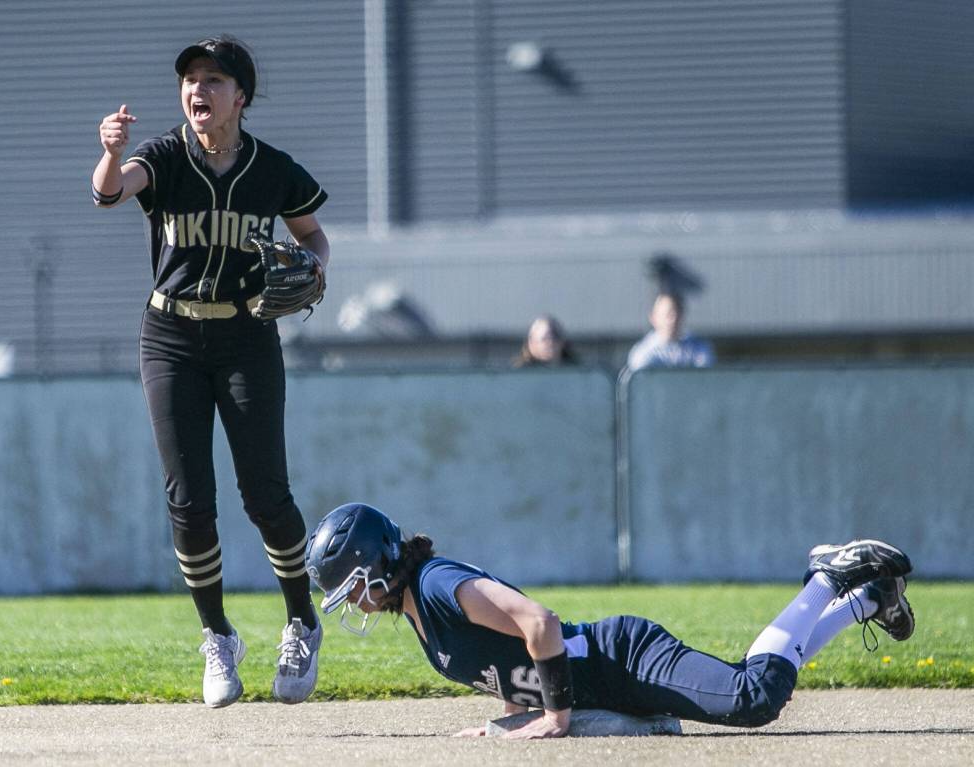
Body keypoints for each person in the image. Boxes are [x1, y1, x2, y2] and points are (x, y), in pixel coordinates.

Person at [92, 35, 328, 708]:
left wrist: (317, 264)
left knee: (266, 496)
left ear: (240, 97)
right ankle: (218, 636)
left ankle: (300, 619)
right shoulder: (164, 157)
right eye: (191, 78)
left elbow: (311, 232)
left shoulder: (270, 168)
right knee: (189, 502)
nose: (199, 89)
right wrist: (110, 153)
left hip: (247, 334)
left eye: (214, 79)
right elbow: (110, 191)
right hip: (168, 334)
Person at [305, 503, 915, 739]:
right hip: (605, 673)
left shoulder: (436, 585)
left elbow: (539, 623)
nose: (355, 601)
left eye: (353, 586)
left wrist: (554, 718)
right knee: (750, 688)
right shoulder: (420, 613)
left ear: (379, 562)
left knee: (753, 698)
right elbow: (511, 665)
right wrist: (506, 722)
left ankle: (827, 578)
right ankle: (867, 601)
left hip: (622, 656)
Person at [627, 291, 714, 372]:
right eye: (667, 315)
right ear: (653, 318)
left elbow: (705, 380)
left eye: (676, 313)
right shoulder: (643, 353)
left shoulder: (699, 348)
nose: (673, 319)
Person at [513, 315, 578, 368]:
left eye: (555, 337)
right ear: (532, 343)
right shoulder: (522, 372)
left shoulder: (574, 369)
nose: (550, 343)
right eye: (545, 338)